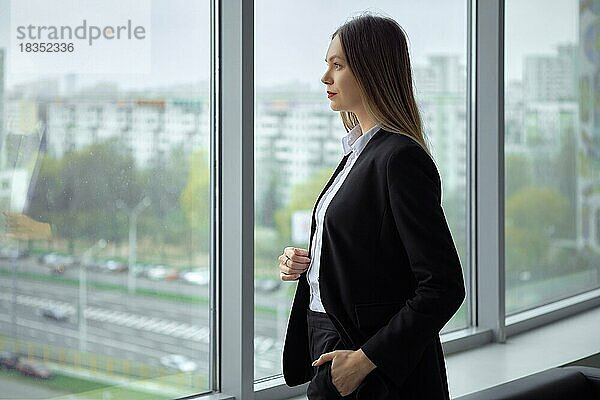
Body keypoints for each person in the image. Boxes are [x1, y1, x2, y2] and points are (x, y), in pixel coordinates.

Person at [277, 13, 466, 400]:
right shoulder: (357, 153)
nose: (325, 78)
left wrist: (365, 360)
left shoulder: (399, 158)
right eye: (326, 65)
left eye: (338, 65)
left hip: (372, 366)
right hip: (330, 341)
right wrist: (310, 261)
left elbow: (443, 286)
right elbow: (371, 251)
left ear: (371, 69)